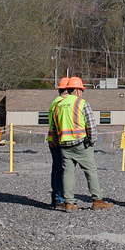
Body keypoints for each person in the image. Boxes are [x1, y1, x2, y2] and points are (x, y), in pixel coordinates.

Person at [49, 76, 111, 212]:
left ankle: (69, 203)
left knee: (68, 174)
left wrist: (57, 142)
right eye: (81, 90)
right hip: (81, 144)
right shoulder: (82, 103)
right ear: (77, 90)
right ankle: (97, 200)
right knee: (90, 171)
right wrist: (92, 141)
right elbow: (91, 126)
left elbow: (53, 128)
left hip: (64, 145)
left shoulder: (58, 105)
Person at [46, 78, 69, 207]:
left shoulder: (55, 102)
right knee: (60, 170)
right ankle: (59, 198)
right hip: (58, 141)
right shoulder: (60, 103)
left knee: (57, 169)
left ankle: (57, 197)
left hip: (53, 140)